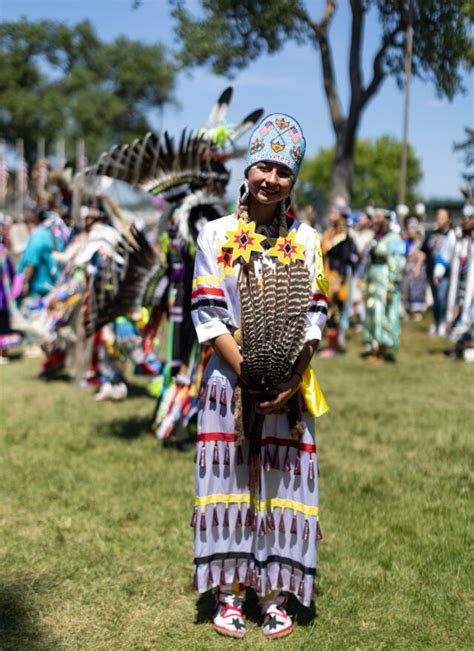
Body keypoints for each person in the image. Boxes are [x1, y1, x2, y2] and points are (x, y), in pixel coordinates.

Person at [190, 114, 328, 639]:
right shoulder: (216, 235)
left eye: (283, 171)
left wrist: (292, 377)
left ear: (294, 180)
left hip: (289, 386)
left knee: (281, 480)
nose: (271, 178)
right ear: (248, 169)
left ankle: (275, 594)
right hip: (230, 379)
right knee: (228, 479)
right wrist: (250, 374)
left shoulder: (307, 239)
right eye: (263, 166)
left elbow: (315, 312)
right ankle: (229, 593)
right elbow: (208, 311)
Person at [362, 208, 405, 362]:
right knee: (374, 312)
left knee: (385, 314)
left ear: (387, 220)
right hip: (374, 280)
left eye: (379, 217)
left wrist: (391, 287)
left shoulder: (394, 238)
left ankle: (385, 348)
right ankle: (374, 346)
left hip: (386, 280)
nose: (375, 220)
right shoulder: (377, 237)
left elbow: (398, 263)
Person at [320, 202, 358, 355]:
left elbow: (344, 260)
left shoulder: (344, 237)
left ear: (341, 217)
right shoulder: (330, 233)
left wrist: (340, 279)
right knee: (327, 309)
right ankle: (332, 344)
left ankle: (333, 346)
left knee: (334, 311)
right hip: (326, 274)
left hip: (336, 277)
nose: (331, 215)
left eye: (335, 213)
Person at [415, 208, 456, 335]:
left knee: (442, 297)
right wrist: (417, 268)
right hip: (431, 272)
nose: (439, 220)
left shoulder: (453, 236)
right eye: (438, 217)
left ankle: (443, 322)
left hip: (447, 274)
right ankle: (437, 322)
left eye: (442, 217)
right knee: (436, 299)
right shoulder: (430, 235)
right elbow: (423, 252)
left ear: (449, 219)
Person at [402, 214, 426, 320]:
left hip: (417, 268)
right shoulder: (406, 241)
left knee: (416, 289)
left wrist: (417, 269)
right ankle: (406, 309)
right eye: (409, 228)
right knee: (405, 288)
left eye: (412, 228)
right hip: (408, 267)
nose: (410, 231)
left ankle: (417, 311)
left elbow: (421, 255)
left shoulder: (419, 241)